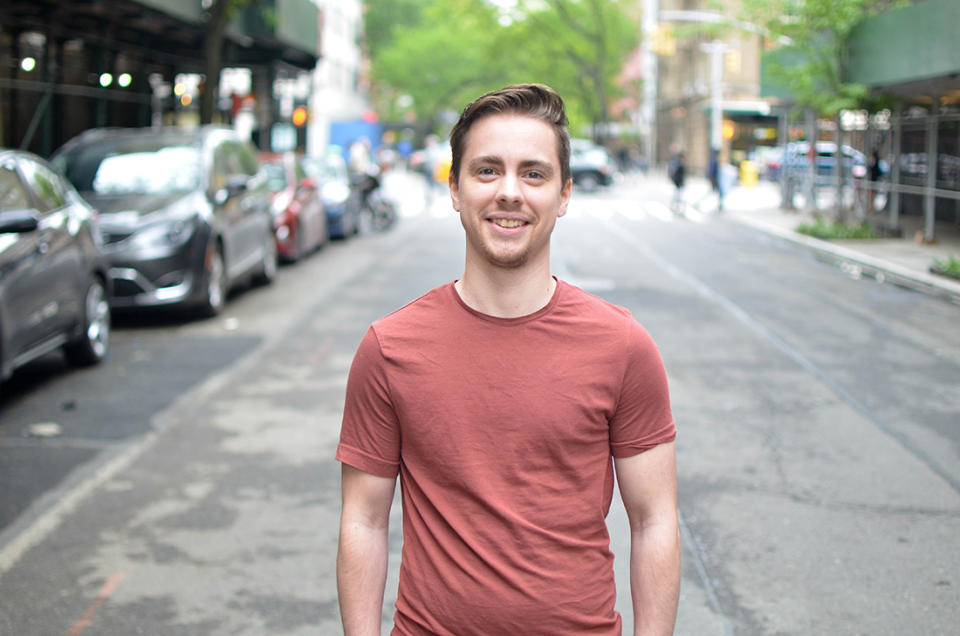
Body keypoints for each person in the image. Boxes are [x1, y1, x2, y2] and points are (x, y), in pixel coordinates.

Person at [336, 84, 680, 635]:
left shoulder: (622, 346)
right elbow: (363, 519)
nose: (510, 192)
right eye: (487, 170)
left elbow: (655, 520)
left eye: (534, 174)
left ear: (564, 195)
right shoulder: (389, 348)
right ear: (454, 188)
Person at [668, 147, 686, 215]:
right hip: (679, 185)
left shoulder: (679, 165)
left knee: (678, 198)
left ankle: (677, 209)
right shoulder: (679, 166)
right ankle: (678, 209)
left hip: (679, 185)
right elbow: (677, 176)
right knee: (679, 198)